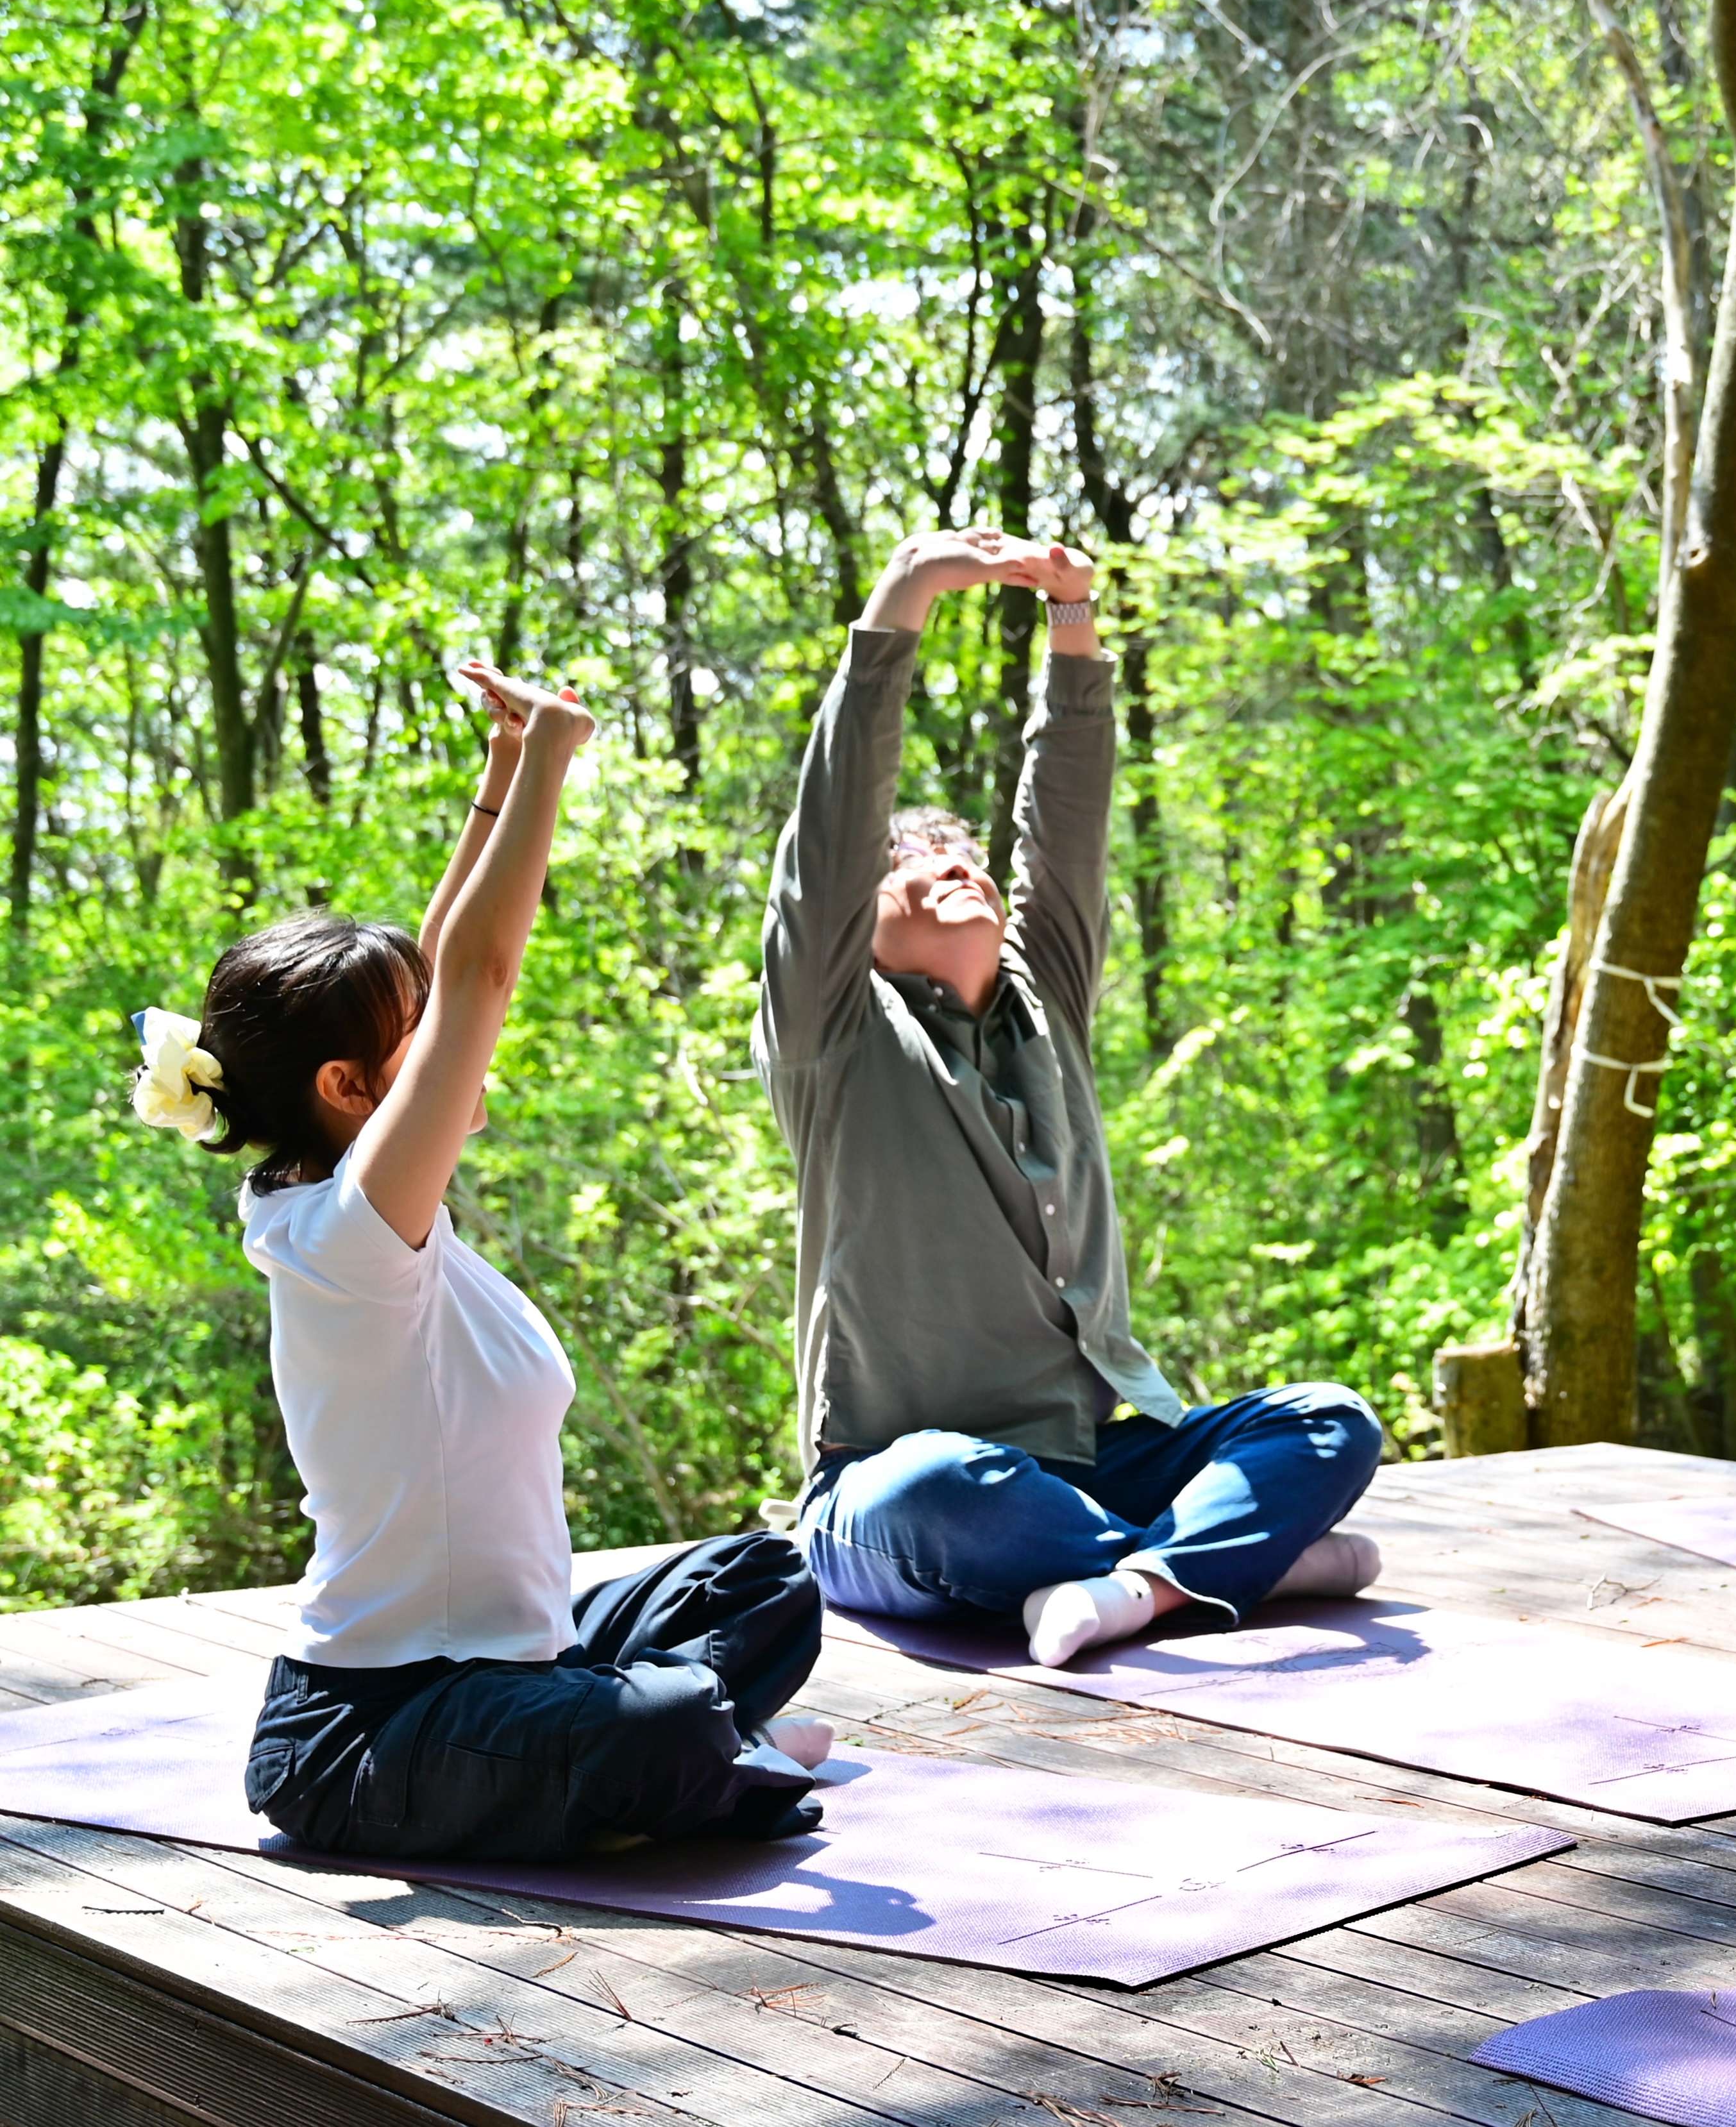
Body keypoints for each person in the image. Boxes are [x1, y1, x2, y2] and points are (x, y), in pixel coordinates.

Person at [134, 664, 829, 1863]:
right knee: (658, 1722)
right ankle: (693, 1748)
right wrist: (554, 755)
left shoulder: (357, 1199)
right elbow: (477, 976)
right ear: (348, 1089)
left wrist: (500, 773)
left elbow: (445, 965)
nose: (462, 1047)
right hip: (370, 1729)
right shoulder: (349, 1240)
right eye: (420, 1040)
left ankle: (693, 1751)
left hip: (523, 1660)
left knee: (764, 1580)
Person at [763, 529, 1385, 1669]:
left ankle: (1140, 1581)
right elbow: (831, 837)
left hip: (1095, 1460)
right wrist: (904, 597)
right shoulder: (832, 1031)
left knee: (1326, 1420)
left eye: (966, 854)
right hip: (894, 1487)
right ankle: (1222, 1559)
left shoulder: (1045, 996)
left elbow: (1066, 829)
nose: (955, 864)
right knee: (945, 1483)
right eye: (914, 862)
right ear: (863, 916)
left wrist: (1072, 617)